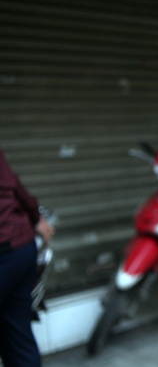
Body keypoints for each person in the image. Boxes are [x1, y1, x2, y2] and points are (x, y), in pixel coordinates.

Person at [0, 147, 55, 367]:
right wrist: (36, 218)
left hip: (5, 250)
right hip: (21, 248)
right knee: (17, 336)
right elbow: (11, 183)